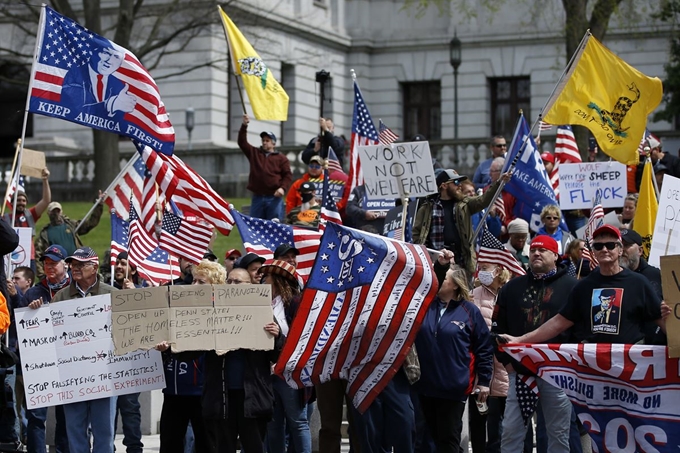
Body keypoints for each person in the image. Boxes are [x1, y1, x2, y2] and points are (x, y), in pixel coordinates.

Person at [501, 224, 668, 346]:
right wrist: (520, 340)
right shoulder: (584, 286)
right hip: (594, 368)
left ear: (619, 250)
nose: (604, 249)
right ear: (593, 251)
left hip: (631, 366)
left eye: (610, 245)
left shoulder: (638, 283)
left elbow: (662, 320)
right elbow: (558, 323)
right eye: (598, 246)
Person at [492, 235, 577, 453]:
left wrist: (571, 366)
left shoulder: (572, 287)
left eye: (543, 250)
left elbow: (581, 328)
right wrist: (508, 365)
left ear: (555, 256)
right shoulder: (511, 288)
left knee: (558, 433)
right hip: (521, 372)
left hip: (558, 372)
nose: (536, 253)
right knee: (511, 430)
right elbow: (497, 329)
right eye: (533, 250)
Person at [415, 252, 492, 453]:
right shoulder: (424, 306)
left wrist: (484, 381)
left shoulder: (469, 311)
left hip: (453, 387)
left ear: (456, 284)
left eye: (444, 278)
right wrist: (440, 265)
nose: (439, 281)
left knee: (447, 440)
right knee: (424, 440)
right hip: (423, 386)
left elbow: (484, 347)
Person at [201, 266, 283, 453]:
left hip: (252, 396)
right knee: (224, 447)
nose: (231, 285)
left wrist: (277, 337)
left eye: (237, 282)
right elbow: (193, 348)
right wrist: (170, 347)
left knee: (254, 447)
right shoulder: (212, 312)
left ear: (250, 285)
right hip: (221, 397)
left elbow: (277, 355)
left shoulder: (263, 312)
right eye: (228, 281)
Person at [42, 247, 115, 453]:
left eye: (81, 264)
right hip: (73, 377)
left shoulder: (113, 294)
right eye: (73, 264)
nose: (75, 268)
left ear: (95, 267)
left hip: (105, 377)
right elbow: (50, 332)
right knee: (75, 431)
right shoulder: (61, 297)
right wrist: (36, 312)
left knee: (105, 433)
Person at [412, 168, 511, 278]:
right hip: (437, 261)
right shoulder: (427, 207)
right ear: (444, 186)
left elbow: (483, 200)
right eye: (455, 182)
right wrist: (426, 255)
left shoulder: (464, 204)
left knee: (462, 291)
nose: (459, 185)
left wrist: (498, 183)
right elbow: (417, 232)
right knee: (441, 290)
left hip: (461, 259)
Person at [21, 245, 70, 453]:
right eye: (46, 263)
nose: (49, 267)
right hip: (40, 363)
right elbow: (21, 327)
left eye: (54, 263)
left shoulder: (75, 290)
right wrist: (30, 312)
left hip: (69, 363)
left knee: (66, 417)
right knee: (36, 416)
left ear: (65, 265)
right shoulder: (33, 292)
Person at [156, 258, 208, 453]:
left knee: (206, 444)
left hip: (204, 392)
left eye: (201, 282)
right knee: (170, 444)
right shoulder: (173, 300)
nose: (194, 285)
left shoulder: (220, 310)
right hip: (174, 390)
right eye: (193, 281)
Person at [260, 260, 311, 453]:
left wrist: (279, 334)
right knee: (274, 425)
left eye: (268, 278)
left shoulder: (296, 303)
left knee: (298, 422)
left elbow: (302, 336)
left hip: (290, 373)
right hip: (268, 372)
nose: (263, 281)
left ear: (277, 281)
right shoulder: (262, 304)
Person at [469, 260, 511, 453]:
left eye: (485, 268)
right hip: (480, 370)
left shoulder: (511, 293)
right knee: (479, 420)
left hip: (505, 370)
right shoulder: (473, 296)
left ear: (499, 270)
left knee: (503, 423)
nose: (481, 272)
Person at [110, 252, 144, 453]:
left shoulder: (142, 291)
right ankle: (108, 447)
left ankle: (134, 448)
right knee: (109, 410)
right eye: (117, 263)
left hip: (132, 362)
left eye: (124, 263)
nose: (120, 267)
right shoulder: (105, 290)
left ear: (133, 269)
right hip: (110, 361)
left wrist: (135, 294)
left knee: (130, 407)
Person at [238, 114, 292, 220]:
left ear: (274, 143)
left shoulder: (281, 158)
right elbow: (242, 142)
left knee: (274, 225)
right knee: (255, 226)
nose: (264, 142)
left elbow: (288, 175)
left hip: (274, 197)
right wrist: (244, 125)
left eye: (267, 140)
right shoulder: (255, 153)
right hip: (257, 196)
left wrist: (282, 188)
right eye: (263, 140)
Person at [35, 196, 104, 279]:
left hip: (76, 266)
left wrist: (99, 206)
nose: (56, 213)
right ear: (48, 214)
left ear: (61, 212)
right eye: (53, 211)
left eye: (58, 211)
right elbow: (38, 255)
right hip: (58, 271)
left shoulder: (71, 225)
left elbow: (90, 223)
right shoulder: (45, 233)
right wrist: (42, 275)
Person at [62, 43, 137, 118]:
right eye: (106, 53)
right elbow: (73, 109)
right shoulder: (74, 75)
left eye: (116, 57)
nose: (109, 61)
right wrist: (111, 105)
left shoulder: (119, 86)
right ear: (93, 52)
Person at [619, 228, 665, 345]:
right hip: (624, 347)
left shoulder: (657, 276)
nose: (622, 250)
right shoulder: (610, 278)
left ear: (640, 250)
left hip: (655, 345)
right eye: (619, 245)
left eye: (627, 245)